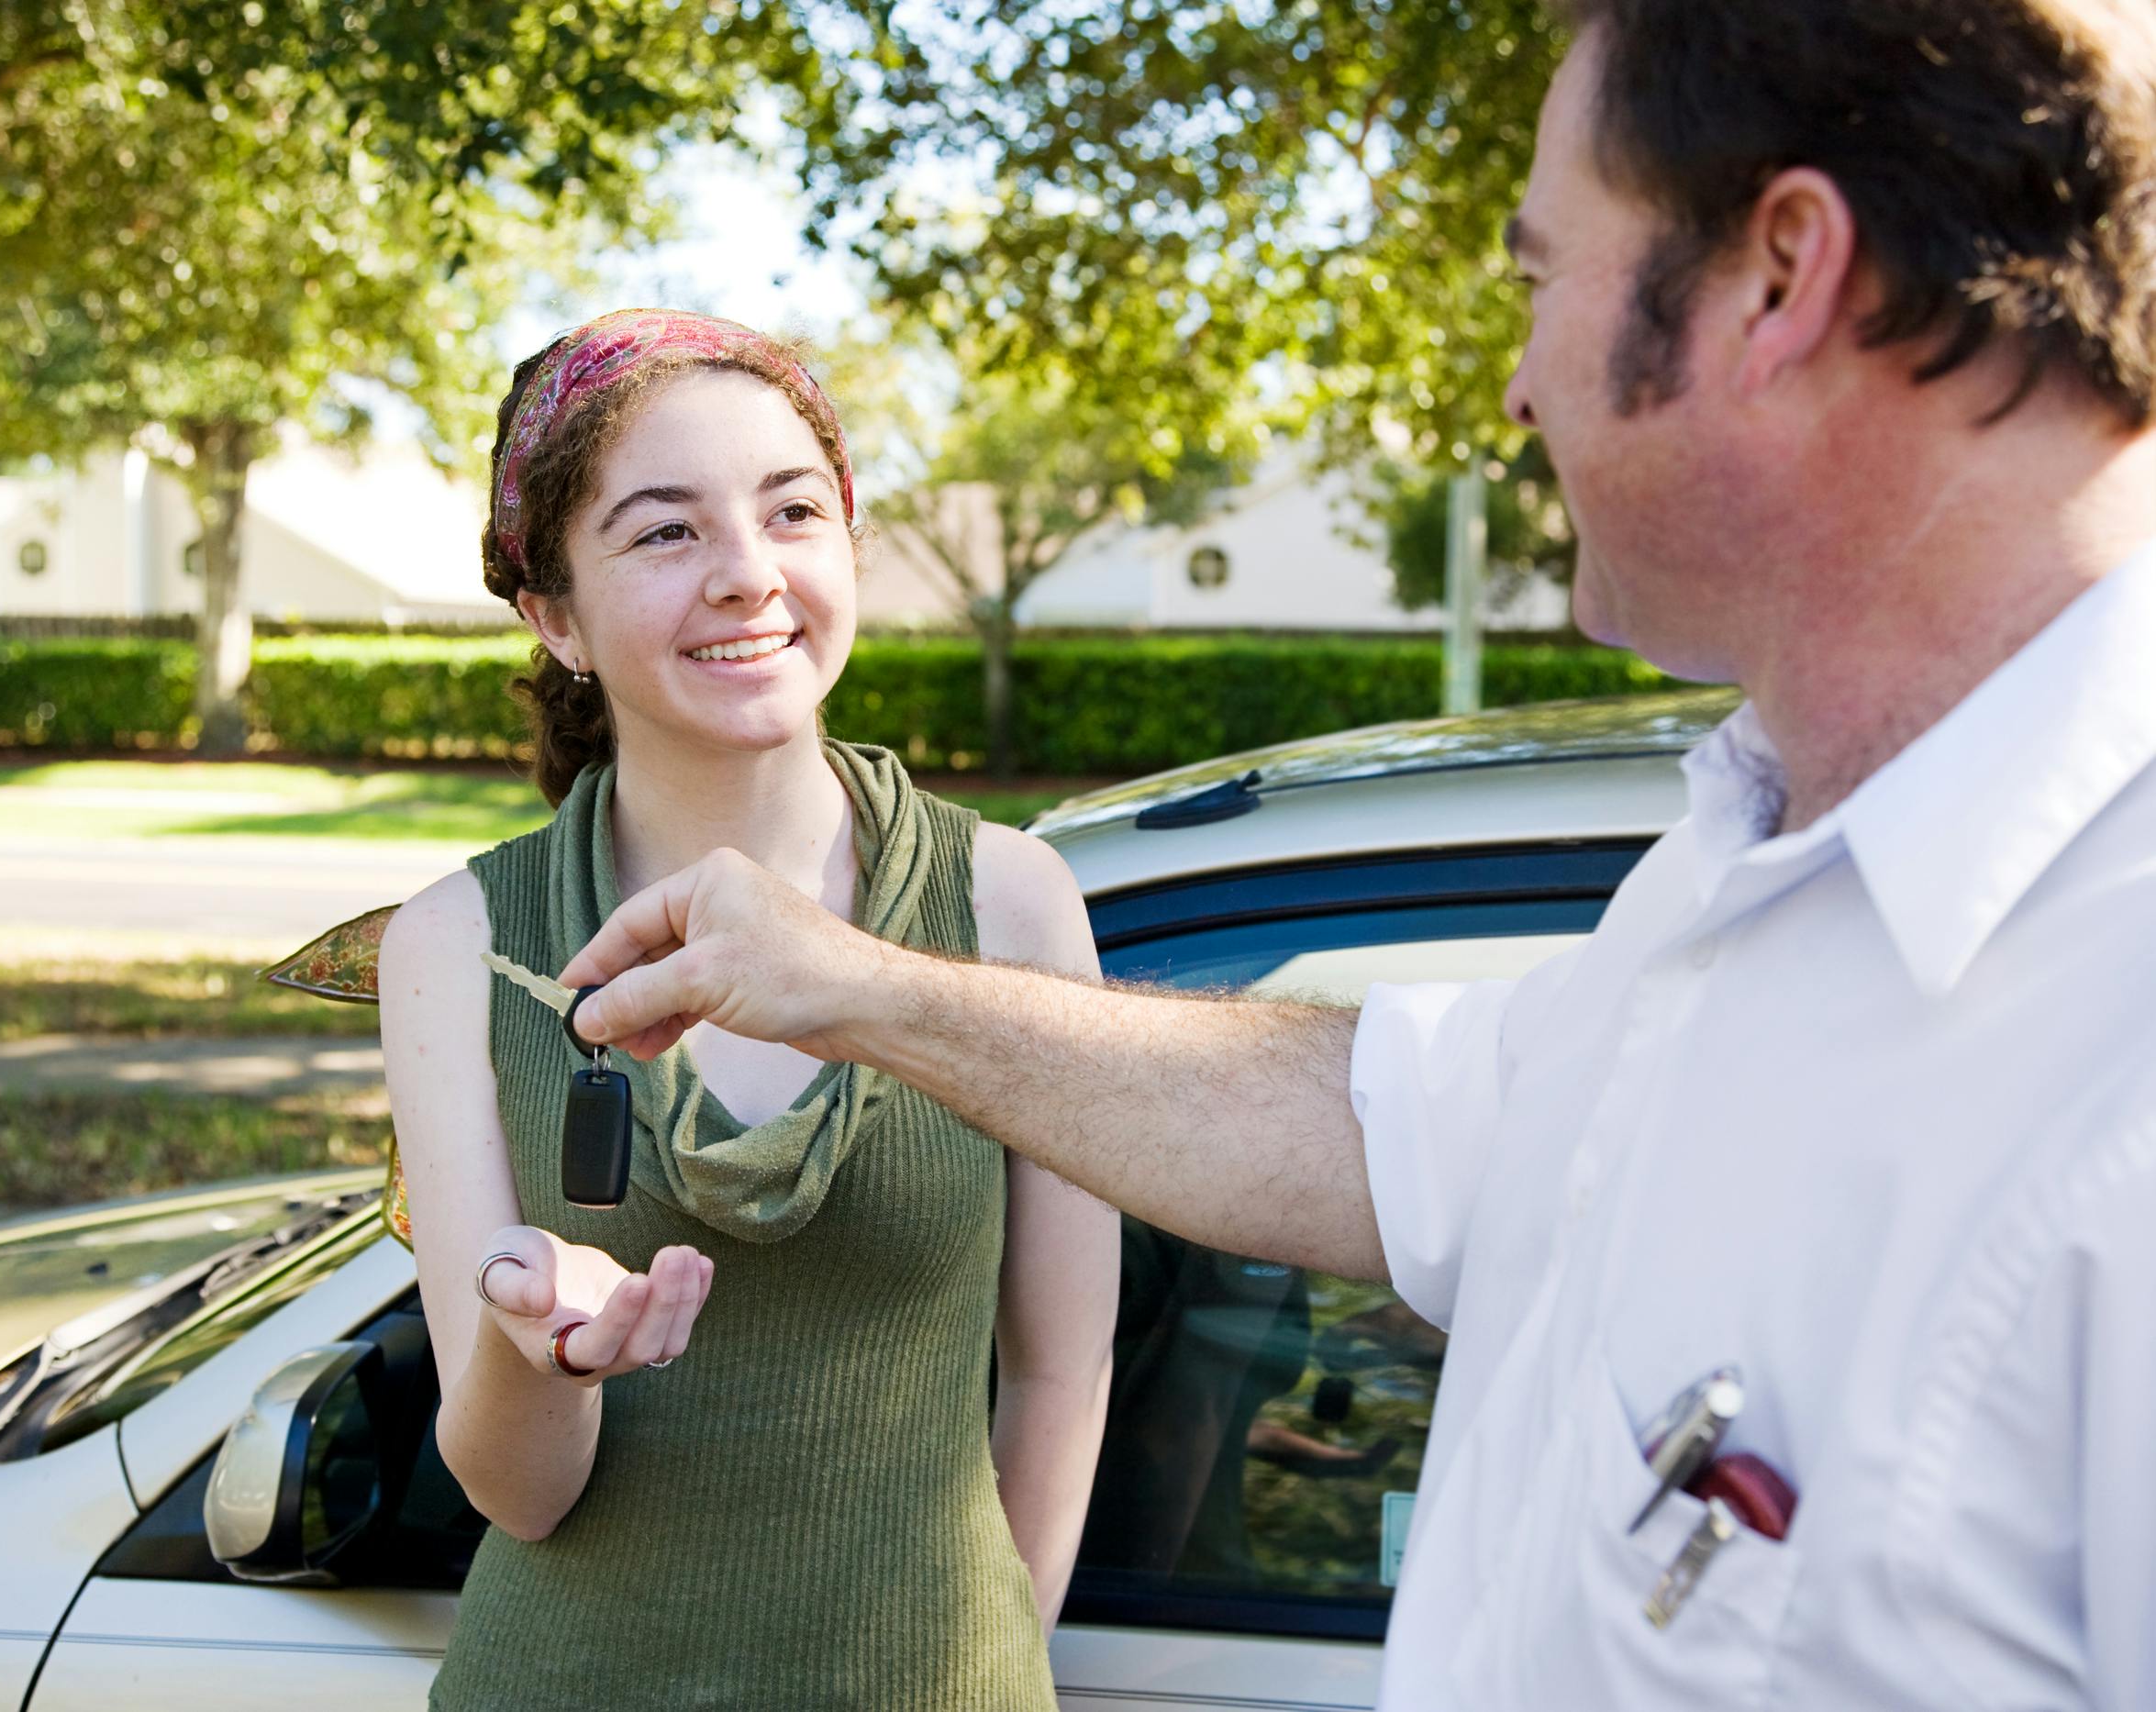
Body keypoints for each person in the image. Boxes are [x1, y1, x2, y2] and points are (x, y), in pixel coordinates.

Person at [559, 5, 2156, 1707]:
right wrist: (854, 984)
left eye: (1542, 277)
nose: (1516, 382)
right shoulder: (1732, 878)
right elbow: (1394, 1130)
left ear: (1776, 278)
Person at [376, 310, 1117, 1711]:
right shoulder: (461, 943)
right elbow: (512, 1494)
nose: (747, 575)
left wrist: (986, 1666)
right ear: (553, 615)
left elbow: (1061, 1371)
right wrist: (547, 1356)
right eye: (664, 533)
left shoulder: (1011, 904)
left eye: (791, 511)